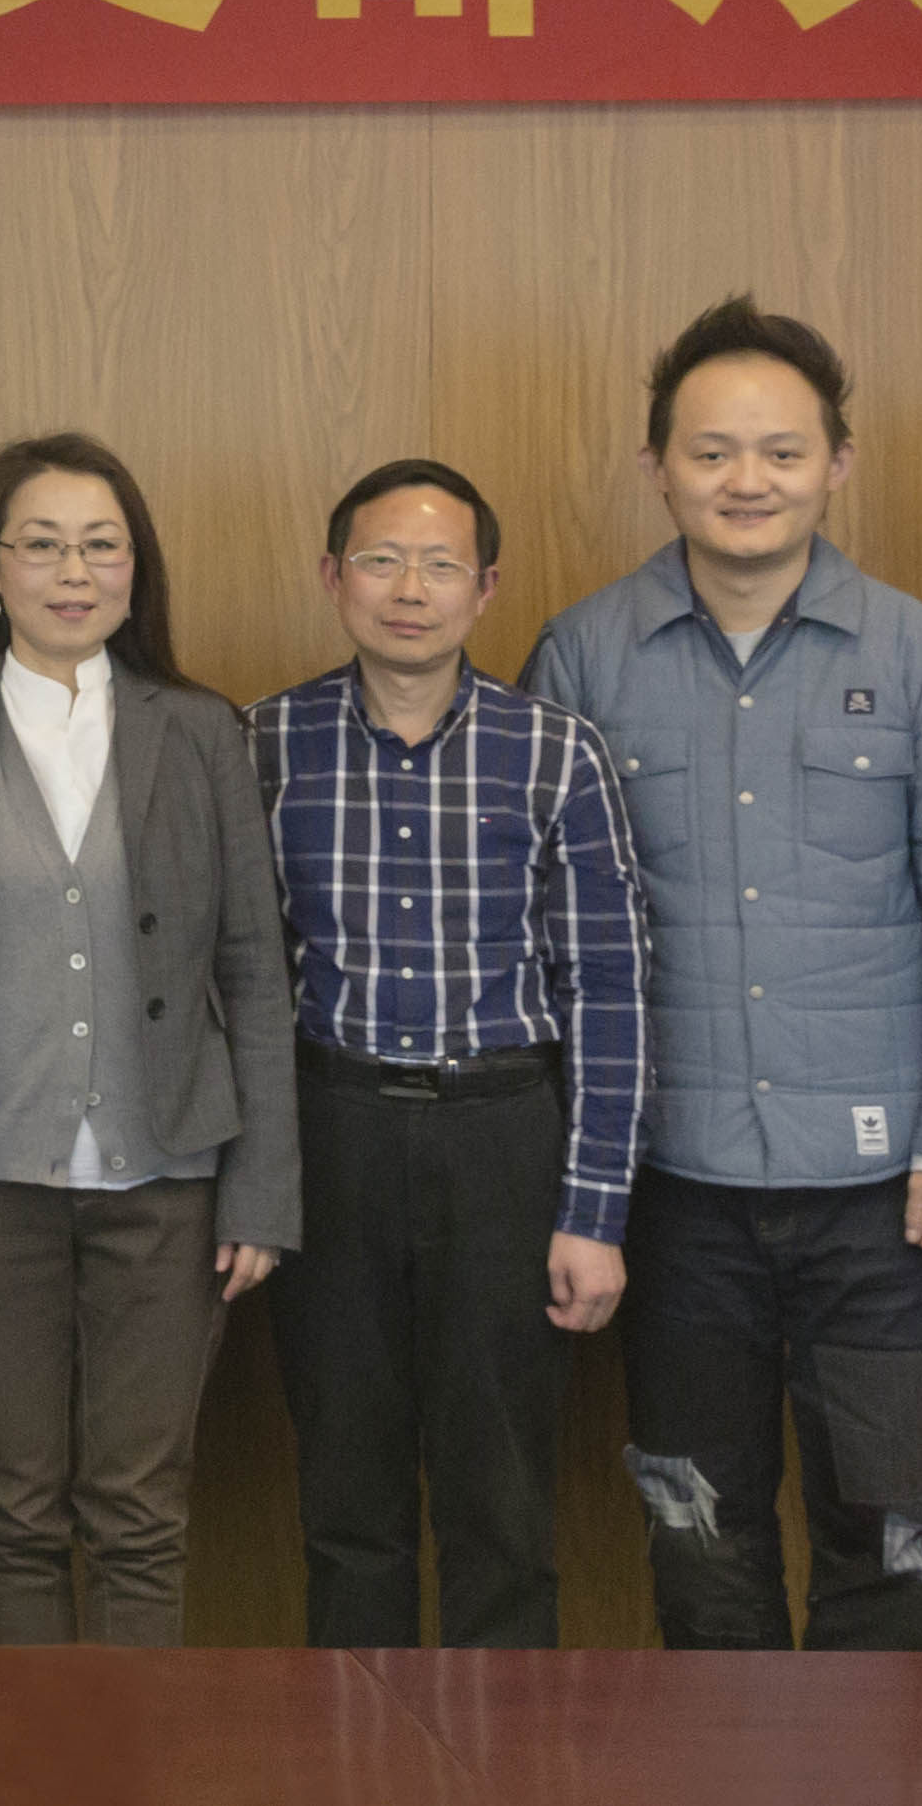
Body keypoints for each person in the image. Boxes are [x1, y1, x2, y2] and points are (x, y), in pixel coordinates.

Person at [527, 295, 922, 1653]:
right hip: (672, 1191)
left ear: (835, 464)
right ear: (657, 468)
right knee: (696, 1537)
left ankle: (879, 1762)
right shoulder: (582, 654)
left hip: (886, 1203)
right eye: (710, 451)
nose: (744, 479)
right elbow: (542, 931)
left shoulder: (914, 652)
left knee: (897, 1538)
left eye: (780, 450)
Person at [0, 429, 301, 1647]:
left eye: (100, 545)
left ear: (135, 568)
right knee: (14, 1509)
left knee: (139, 1512)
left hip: (165, 1177)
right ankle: (31, 1750)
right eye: (40, 544)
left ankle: (133, 1746)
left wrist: (260, 1194)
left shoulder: (202, 730)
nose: (72, 572)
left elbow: (251, 970)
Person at [247, 458, 647, 1650]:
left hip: (502, 1135)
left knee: (502, 1502)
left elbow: (609, 991)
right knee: (344, 1496)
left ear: (485, 587)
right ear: (332, 576)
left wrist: (593, 1213)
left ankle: (500, 1746)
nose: (408, 589)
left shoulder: (557, 750)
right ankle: (350, 1741)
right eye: (379, 560)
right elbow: (239, 986)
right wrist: (249, 1191)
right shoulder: (263, 741)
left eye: (438, 564)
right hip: (331, 1133)